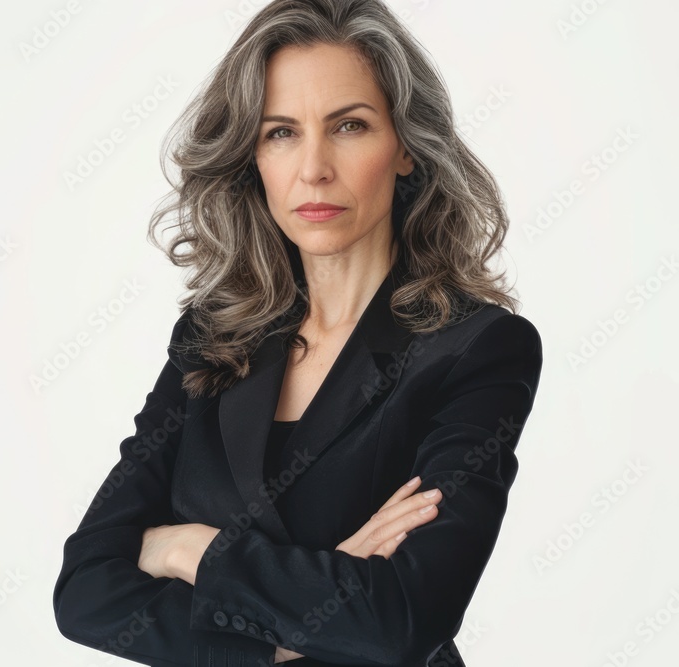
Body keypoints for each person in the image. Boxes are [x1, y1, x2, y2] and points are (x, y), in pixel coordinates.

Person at [53, 1, 543, 665]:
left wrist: (185, 548)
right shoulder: (211, 336)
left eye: (348, 125)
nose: (313, 167)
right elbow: (85, 591)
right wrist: (293, 633)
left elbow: (401, 619)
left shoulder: (475, 349)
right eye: (281, 132)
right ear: (252, 154)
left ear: (403, 146)